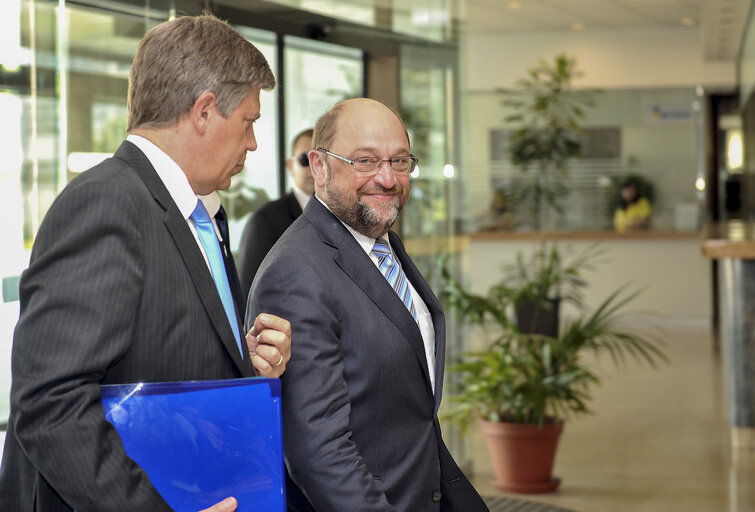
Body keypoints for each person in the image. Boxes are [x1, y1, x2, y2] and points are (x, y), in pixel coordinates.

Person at [0, 14, 291, 512]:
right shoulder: (106, 203)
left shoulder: (199, 213)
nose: (253, 144)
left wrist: (242, 359)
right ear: (203, 112)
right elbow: (50, 402)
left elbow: (149, 343)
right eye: (248, 122)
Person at [246, 98, 489, 512]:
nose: (387, 178)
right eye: (365, 161)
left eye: (398, 161)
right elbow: (319, 451)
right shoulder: (297, 273)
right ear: (319, 167)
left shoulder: (379, 241)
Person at [237, 128, 314, 298]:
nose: (314, 168)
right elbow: (249, 294)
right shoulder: (264, 222)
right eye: (305, 159)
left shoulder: (343, 218)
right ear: (290, 166)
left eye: (322, 160)